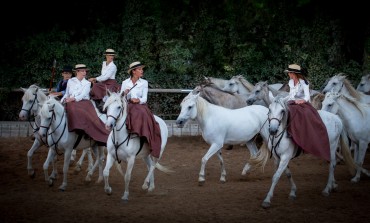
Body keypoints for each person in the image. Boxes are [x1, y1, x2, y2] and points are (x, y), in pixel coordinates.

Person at [284, 63, 330, 161]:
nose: (288, 74)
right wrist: (283, 99)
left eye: (289, 73)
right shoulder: (291, 82)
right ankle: (286, 130)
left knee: (302, 114)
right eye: (288, 73)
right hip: (292, 102)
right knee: (282, 110)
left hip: (302, 103)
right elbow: (291, 95)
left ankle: (300, 133)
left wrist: (301, 101)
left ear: (294, 73)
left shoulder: (304, 82)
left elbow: (307, 96)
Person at [120, 61, 161, 158]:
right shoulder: (125, 83)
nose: (142, 71)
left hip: (139, 105)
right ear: (133, 71)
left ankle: (140, 134)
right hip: (128, 104)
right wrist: (125, 94)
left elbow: (144, 98)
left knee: (140, 112)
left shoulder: (144, 82)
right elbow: (120, 97)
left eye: (142, 69)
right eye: (139, 69)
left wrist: (138, 100)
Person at [61, 64, 110, 145]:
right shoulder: (70, 81)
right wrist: (63, 100)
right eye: (82, 71)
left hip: (83, 102)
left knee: (77, 110)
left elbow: (82, 95)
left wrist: (72, 99)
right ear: (77, 72)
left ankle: (81, 129)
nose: (85, 73)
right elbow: (67, 93)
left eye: (85, 71)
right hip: (70, 101)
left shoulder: (87, 83)